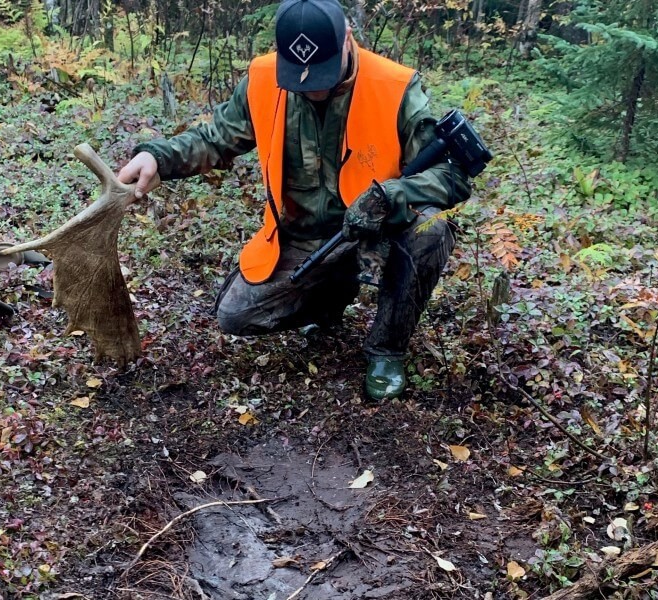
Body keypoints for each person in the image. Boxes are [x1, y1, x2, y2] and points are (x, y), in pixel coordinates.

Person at [117, 0, 473, 400]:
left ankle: (386, 349)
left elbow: (451, 175)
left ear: (347, 40)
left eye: (321, 72)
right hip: (302, 239)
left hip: (375, 232)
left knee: (431, 229)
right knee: (235, 316)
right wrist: (158, 158)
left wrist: (391, 196)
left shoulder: (394, 86)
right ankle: (330, 298)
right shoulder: (263, 79)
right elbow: (215, 139)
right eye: (300, 77)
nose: (312, 87)